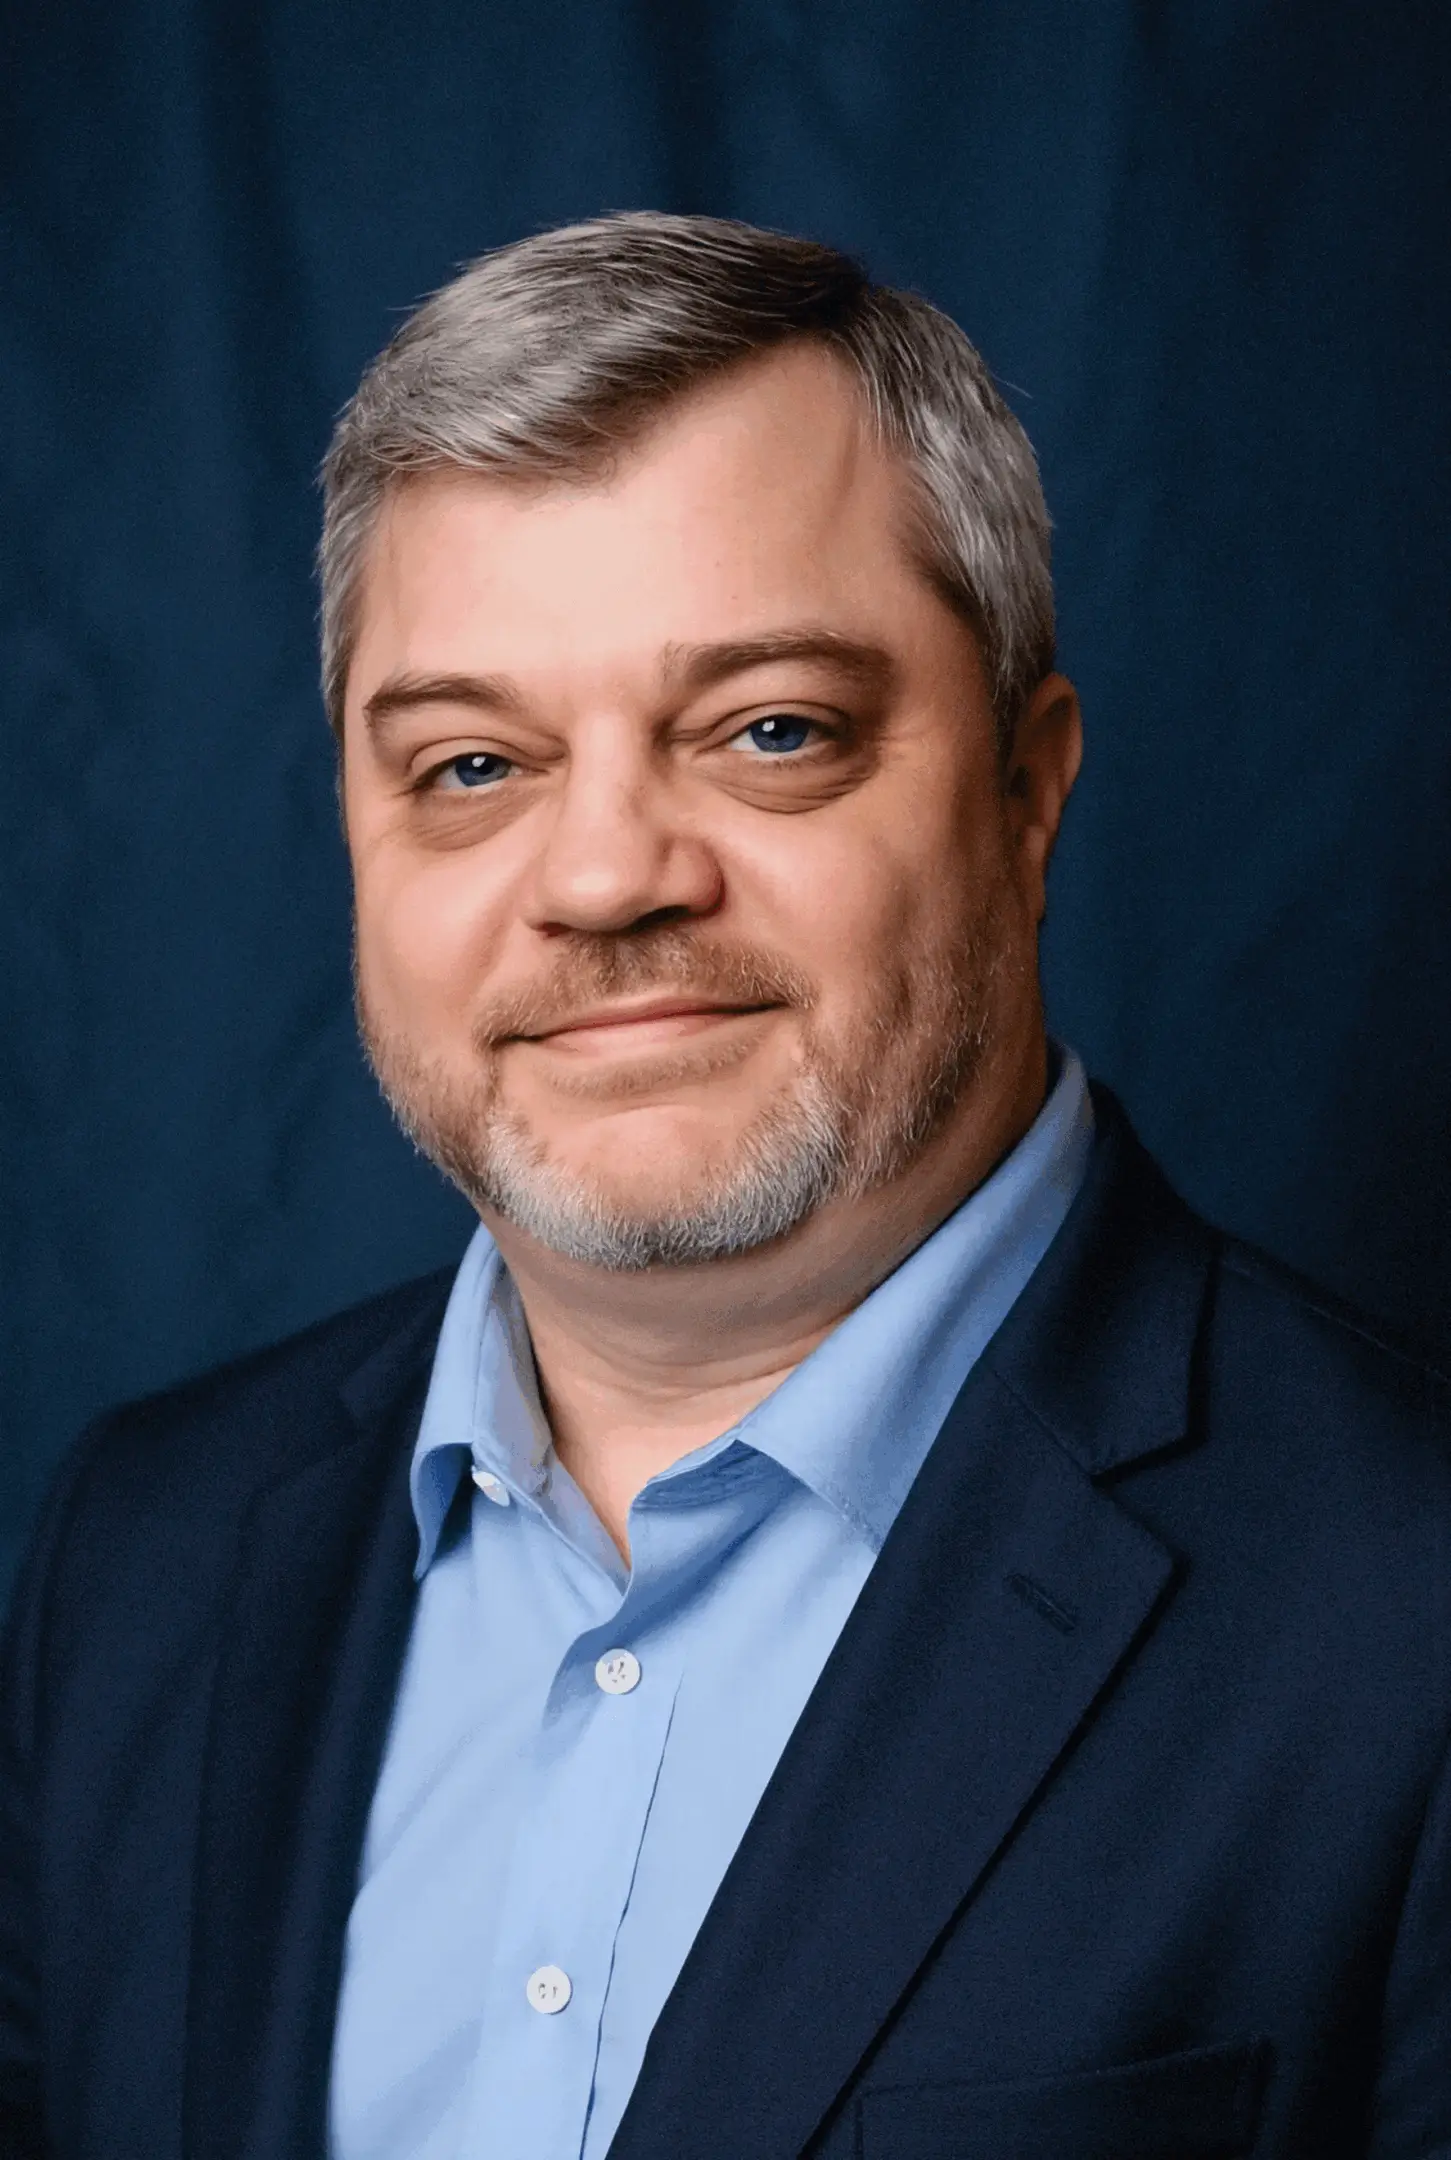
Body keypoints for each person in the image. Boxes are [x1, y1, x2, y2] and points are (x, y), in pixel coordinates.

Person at [1, 212, 1447, 2160]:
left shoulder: (1401, 1604)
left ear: (1025, 792)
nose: (604, 878)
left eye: (769, 732)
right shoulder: (139, 1554)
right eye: (470, 766)